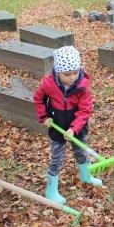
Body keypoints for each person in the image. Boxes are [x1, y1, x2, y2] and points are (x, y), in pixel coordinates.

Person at [33, 46, 101, 205]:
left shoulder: (82, 86)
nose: (72, 77)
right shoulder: (49, 84)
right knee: (57, 159)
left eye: (75, 73)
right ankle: (51, 190)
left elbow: (85, 110)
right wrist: (45, 116)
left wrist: (74, 129)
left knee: (81, 152)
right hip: (57, 127)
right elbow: (38, 99)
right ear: (57, 71)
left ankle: (86, 176)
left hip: (77, 128)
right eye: (67, 74)